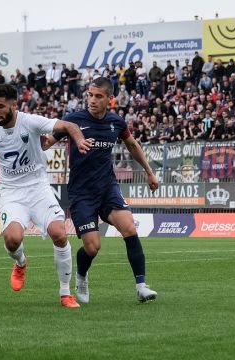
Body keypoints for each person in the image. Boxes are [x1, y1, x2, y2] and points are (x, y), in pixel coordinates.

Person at [0, 84, 93, 308]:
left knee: (59, 234)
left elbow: (69, 125)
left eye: (1, 106)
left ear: (14, 105)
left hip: (38, 188)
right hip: (12, 192)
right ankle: (21, 262)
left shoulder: (30, 122)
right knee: (12, 240)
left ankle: (65, 293)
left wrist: (78, 140)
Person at [42, 77, 159, 304]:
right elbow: (47, 142)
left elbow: (132, 145)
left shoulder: (116, 122)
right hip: (81, 193)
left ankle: (141, 286)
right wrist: (34, 137)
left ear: (110, 99)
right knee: (93, 247)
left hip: (108, 188)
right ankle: (82, 276)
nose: (92, 100)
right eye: (90, 95)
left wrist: (149, 172)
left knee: (129, 228)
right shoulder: (74, 120)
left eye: (98, 96)